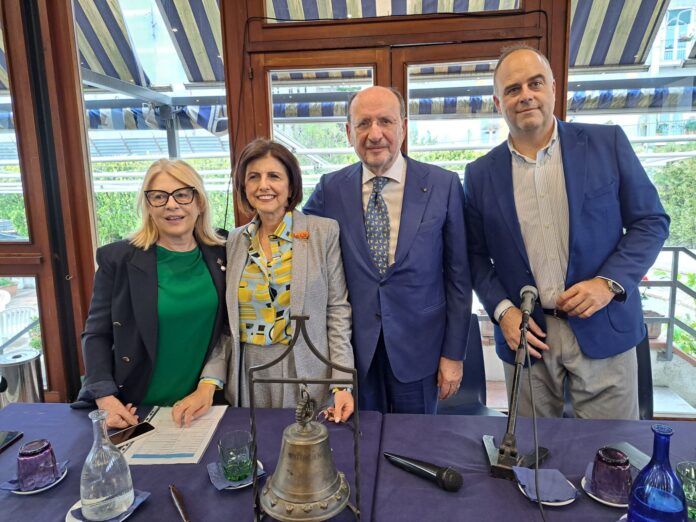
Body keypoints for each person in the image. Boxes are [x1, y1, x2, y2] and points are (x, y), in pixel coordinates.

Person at [464, 45, 670, 419]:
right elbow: (474, 256)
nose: (525, 95)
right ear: (498, 103)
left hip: (604, 326)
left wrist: (608, 284)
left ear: (554, 88)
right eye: (513, 89)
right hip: (527, 337)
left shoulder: (607, 144)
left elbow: (651, 222)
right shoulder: (479, 174)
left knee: (610, 448)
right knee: (530, 450)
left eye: (535, 83)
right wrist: (503, 311)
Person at [303, 86, 471, 414]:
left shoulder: (444, 184)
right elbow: (298, 238)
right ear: (349, 132)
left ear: (403, 127)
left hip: (420, 350)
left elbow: (459, 277)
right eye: (363, 123)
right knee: (359, 439)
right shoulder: (330, 189)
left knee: (415, 440)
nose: (375, 134)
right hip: (355, 353)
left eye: (385, 121)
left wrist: (453, 355)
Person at [200, 139, 355, 421]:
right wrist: (211, 379)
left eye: (274, 176)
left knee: (306, 444)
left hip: (307, 367)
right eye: (253, 177)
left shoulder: (323, 232)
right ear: (244, 187)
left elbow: (337, 310)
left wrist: (342, 382)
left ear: (291, 186)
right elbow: (226, 323)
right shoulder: (234, 240)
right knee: (258, 442)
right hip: (249, 371)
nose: (263, 185)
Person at [75, 159, 227, 428]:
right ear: (148, 206)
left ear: (200, 202)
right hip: (134, 406)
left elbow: (228, 329)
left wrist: (209, 384)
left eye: (182, 194)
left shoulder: (223, 250)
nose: (172, 205)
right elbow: (96, 334)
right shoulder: (119, 259)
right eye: (159, 197)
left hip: (201, 405)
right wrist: (105, 397)